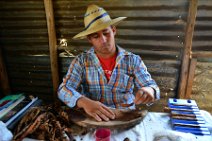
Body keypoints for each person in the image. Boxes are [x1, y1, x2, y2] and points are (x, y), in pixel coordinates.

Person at [58, 4, 160, 122]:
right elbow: (63, 89)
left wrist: (149, 91)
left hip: (125, 119)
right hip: (94, 120)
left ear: (113, 30)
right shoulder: (81, 61)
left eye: (106, 33)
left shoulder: (132, 60)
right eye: (96, 36)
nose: (103, 40)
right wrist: (83, 102)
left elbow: (152, 86)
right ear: (89, 39)